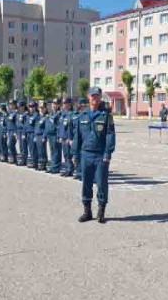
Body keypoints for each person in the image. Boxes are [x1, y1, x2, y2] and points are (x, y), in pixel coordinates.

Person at [72, 87, 116, 223]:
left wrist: (108, 153)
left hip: (100, 155)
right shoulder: (83, 115)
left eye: (97, 96)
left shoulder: (106, 115)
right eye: (92, 96)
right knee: (86, 183)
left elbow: (110, 135)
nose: (94, 98)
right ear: (88, 97)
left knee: (102, 183)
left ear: (100, 97)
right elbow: (77, 136)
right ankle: (87, 212)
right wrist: (75, 154)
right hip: (85, 154)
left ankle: (101, 211)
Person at [46, 98, 62, 174]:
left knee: (56, 151)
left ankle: (56, 167)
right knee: (52, 151)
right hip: (50, 135)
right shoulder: (51, 113)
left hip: (55, 135)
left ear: (58, 105)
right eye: (53, 104)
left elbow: (59, 126)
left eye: (56, 104)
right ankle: (53, 165)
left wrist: (59, 136)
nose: (54, 105)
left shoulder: (59, 114)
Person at [59, 97, 74, 176]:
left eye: (65, 103)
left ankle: (70, 170)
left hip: (68, 138)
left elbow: (71, 128)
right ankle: (67, 169)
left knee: (69, 155)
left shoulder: (71, 114)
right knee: (65, 154)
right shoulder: (63, 114)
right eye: (63, 104)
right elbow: (61, 127)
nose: (64, 105)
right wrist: (61, 136)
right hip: (63, 138)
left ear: (69, 104)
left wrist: (70, 138)